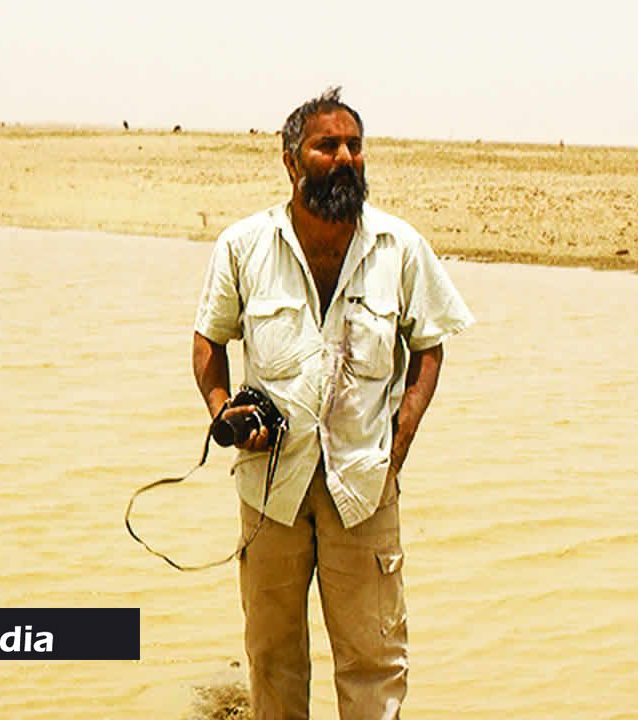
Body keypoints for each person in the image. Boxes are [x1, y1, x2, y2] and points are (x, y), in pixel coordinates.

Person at [191, 87, 474, 720]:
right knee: (273, 659)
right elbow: (208, 341)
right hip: (270, 489)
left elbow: (431, 347)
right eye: (328, 146)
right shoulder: (243, 246)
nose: (346, 157)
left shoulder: (399, 248)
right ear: (291, 161)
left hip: (365, 487)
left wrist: (396, 449)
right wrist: (222, 414)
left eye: (354, 145)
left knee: (374, 662)